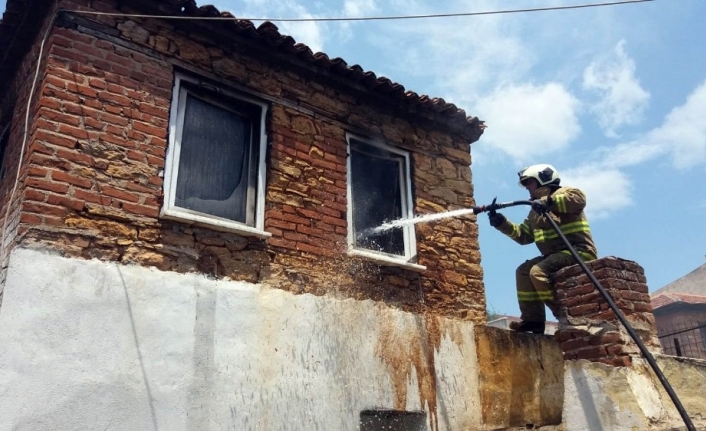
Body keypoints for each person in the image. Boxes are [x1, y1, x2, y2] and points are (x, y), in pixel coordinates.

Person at [488, 164, 597, 334]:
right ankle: (533, 321)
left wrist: (547, 202)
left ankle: (563, 314)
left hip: (578, 251)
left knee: (537, 272)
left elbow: (578, 200)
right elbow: (523, 235)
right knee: (523, 272)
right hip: (555, 255)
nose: (527, 189)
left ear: (543, 179)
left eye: (529, 183)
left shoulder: (565, 194)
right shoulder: (534, 212)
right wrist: (501, 222)